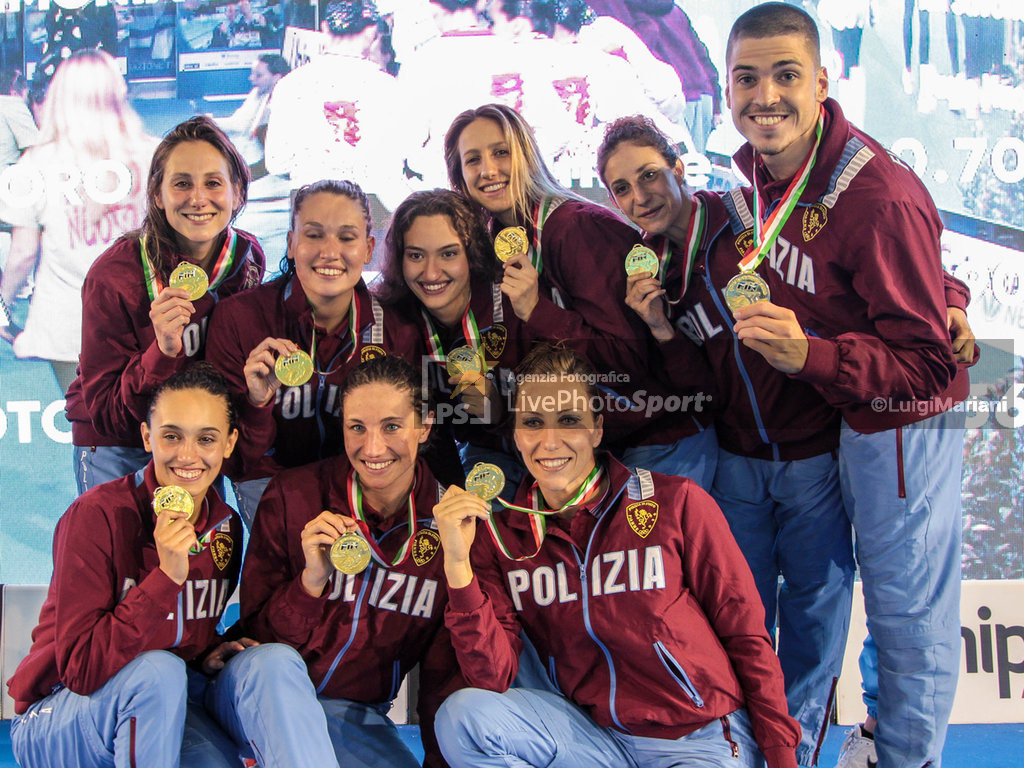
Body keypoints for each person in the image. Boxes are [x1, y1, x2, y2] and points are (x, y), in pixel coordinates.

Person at [722, 5, 971, 768]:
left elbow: (931, 364)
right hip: (850, 421)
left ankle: (906, 758)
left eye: (786, 75)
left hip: (903, 422)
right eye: (747, 78)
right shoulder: (771, 174)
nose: (765, 95)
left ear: (824, 82)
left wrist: (815, 360)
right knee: (877, 610)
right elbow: (900, 274)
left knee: (905, 619)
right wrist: (950, 294)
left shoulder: (872, 189)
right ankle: (875, 741)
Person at [597, 113, 854, 768]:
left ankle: (793, 757)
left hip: (812, 457)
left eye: (649, 175)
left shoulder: (751, 215)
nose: (640, 196)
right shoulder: (655, 272)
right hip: (737, 464)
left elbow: (856, 262)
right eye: (622, 189)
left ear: (680, 167)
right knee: (743, 628)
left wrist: (951, 291)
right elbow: (700, 386)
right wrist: (657, 326)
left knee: (814, 632)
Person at [431, 343, 801, 768]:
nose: (549, 441)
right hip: (593, 739)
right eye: (533, 422)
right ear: (515, 434)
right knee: (463, 718)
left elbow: (747, 636)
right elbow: (490, 676)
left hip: (696, 735)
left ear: (597, 429)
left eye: (568, 420)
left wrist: (780, 757)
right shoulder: (501, 537)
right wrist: (458, 566)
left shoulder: (676, 503)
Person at [6, 363, 339, 768]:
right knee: (158, 671)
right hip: (60, 711)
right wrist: (165, 578)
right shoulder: (98, 516)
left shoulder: (224, 525)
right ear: (148, 437)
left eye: (206, 439)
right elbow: (82, 669)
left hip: (167, 694)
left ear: (229, 444)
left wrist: (207, 652)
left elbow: (186, 631)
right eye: (172, 436)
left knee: (273, 662)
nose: (188, 455)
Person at [444, 103, 717, 487]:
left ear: (526, 155)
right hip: (580, 447)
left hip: (655, 439)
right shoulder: (486, 245)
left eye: (501, 152)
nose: (488, 170)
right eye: (473, 160)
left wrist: (537, 312)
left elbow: (627, 360)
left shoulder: (578, 228)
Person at [240, 355, 465, 768]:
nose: (373, 448)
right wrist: (309, 585)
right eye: (357, 427)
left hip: (352, 715)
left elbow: (444, 675)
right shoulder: (293, 495)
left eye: (392, 427)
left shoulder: (452, 526)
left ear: (425, 426)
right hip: (264, 698)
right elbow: (253, 638)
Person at [63, 115, 264, 495]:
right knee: (124, 552)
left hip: (197, 437)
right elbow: (105, 411)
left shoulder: (248, 257)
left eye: (213, 183)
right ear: (157, 194)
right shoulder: (115, 275)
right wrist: (163, 353)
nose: (198, 198)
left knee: (196, 551)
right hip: (119, 441)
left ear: (237, 191)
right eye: (182, 184)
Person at [204, 179, 419, 524]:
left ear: (368, 249)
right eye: (314, 235)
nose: (329, 252)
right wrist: (257, 403)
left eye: (346, 238)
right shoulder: (239, 319)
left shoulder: (397, 329)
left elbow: (416, 443)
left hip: (364, 484)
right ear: (290, 243)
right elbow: (237, 463)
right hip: (272, 486)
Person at [0, 50, 153, 392]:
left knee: (88, 428)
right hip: (145, 319)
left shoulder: (36, 164)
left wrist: (2, 304)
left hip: (69, 324)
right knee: (147, 425)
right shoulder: (156, 155)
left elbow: (24, 253)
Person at [376, 188, 525, 487]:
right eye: (416, 255)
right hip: (477, 461)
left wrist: (500, 413)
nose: (431, 273)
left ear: (471, 254)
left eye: (448, 254)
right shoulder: (393, 319)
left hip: (544, 449)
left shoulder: (512, 304)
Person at [215, 53, 290, 172]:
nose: (251, 78)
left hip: (276, 169)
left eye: (259, 75)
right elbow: (238, 122)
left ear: (276, 77)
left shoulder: (287, 104)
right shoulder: (258, 93)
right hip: (254, 157)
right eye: (253, 73)